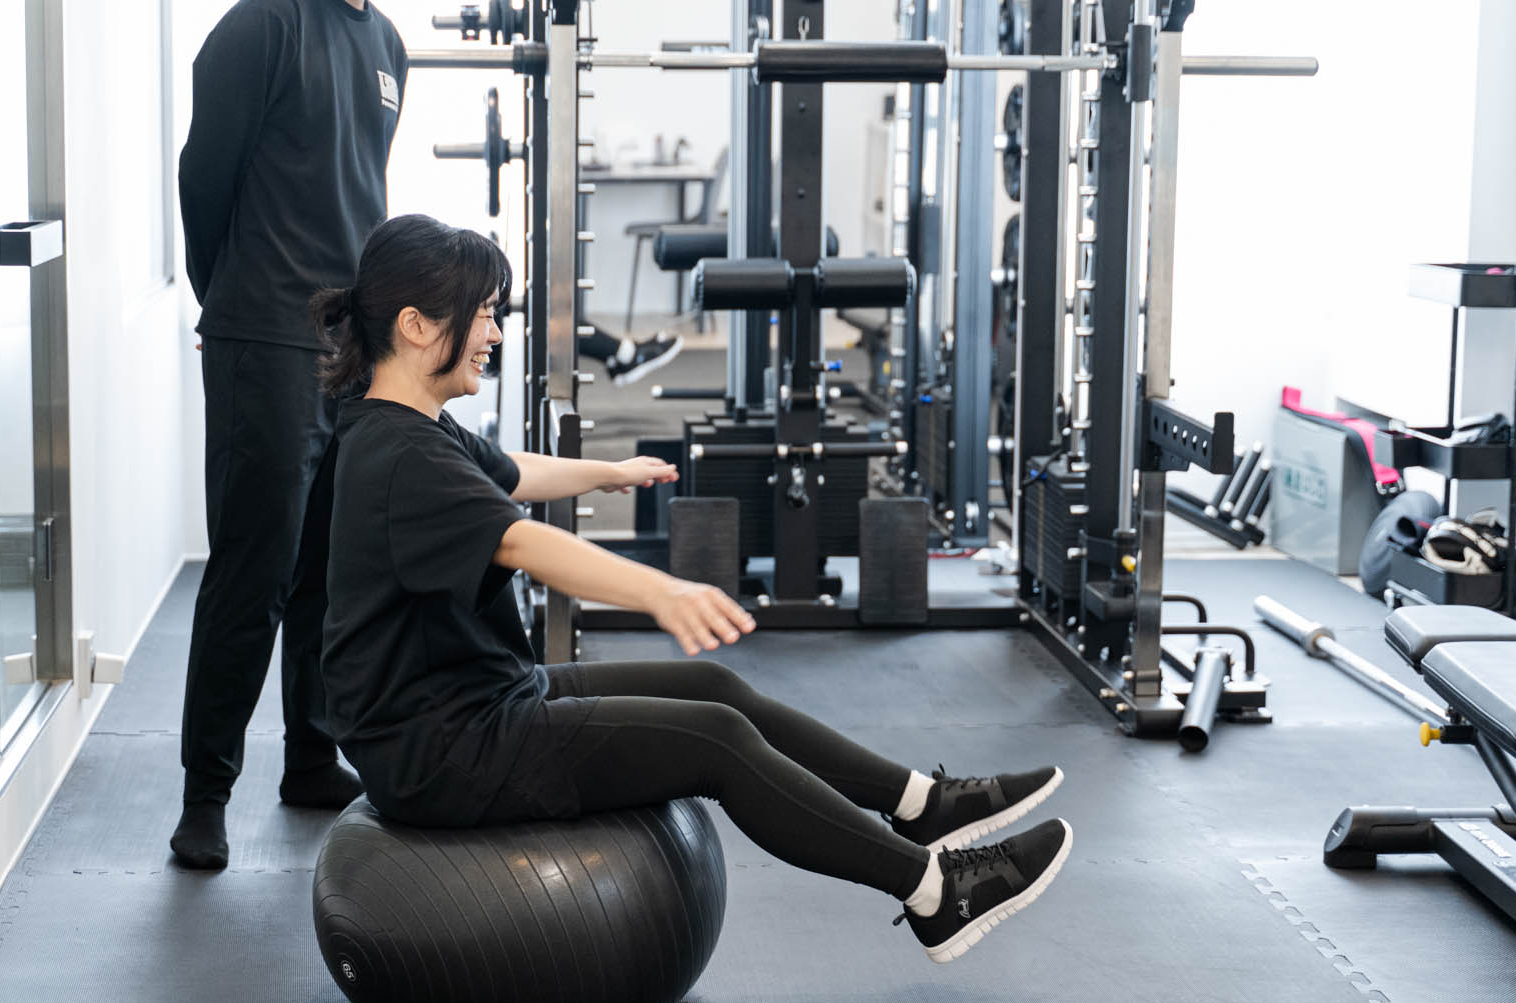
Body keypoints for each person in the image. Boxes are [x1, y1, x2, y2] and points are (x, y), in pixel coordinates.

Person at [309, 214, 1073, 963]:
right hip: (445, 751)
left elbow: (509, 471)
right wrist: (660, 592)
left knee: (715, 688)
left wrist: (608, 471)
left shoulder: (409, 427)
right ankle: (936, 891)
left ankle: (921, 804)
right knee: (717, 740)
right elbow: (520, 539)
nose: (494, 333)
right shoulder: (403, 455)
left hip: (477, 699)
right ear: (416, 324)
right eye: (481, 314)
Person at [172, 0, 441, 870]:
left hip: (347, 342)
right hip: (264, 337)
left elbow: (357, 190)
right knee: (255, 569)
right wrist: (237, 303)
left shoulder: (385, 45)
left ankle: (310, 756)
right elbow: (204, 185)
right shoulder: (263, 23)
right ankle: (204, 796)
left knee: (331, 567)